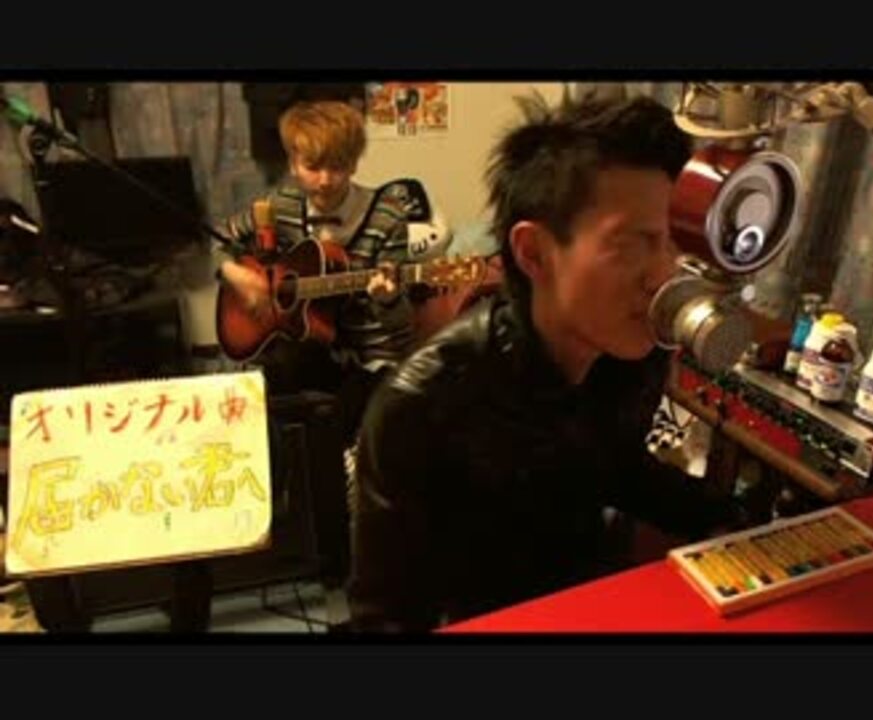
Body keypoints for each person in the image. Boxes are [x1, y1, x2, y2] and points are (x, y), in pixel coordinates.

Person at [347, 92, 747, 632]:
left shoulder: (631, 352)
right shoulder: (421, 403)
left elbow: (616, 468)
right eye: (633, 244)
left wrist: (736, 523)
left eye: (673, 243)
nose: (664, 275)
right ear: (533, 252)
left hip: (593, 601)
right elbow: (384, 617)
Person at [215, 99, 449, 439]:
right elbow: (219, 241)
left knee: (343, 426)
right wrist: (236, 274)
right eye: (313, 166)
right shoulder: (280, 206)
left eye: (337, 166)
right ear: (293, 164)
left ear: (353, 163)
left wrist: (387, 300)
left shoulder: (388, 216)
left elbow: (399, 325)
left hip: (369, 355)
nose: (325, 180)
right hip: (304, 347)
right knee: (257, 416)